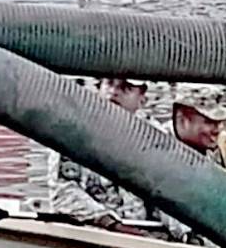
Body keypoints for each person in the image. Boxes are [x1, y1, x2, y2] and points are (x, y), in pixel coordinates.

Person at [48, 78, 151, 235]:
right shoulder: (72, 134)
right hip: (88, 232)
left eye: (126, 87)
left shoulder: (154, 139)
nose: (114, 92)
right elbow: (63, 192)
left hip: (145, 234)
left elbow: (171, 194)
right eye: (109, 83)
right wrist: (109, 223)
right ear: (98, 89)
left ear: (142, 99)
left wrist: (184, 233)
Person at [170, 84, 226, 177]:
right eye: (209, 122)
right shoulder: (158, 145)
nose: (218, 129)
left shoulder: (224, 142)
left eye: (220, 121)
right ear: (183, 120)